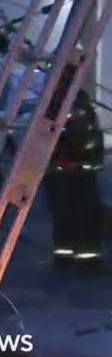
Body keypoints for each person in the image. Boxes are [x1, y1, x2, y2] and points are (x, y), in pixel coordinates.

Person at [42, 65, 104, 269]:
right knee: (80, 213)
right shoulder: (73, 103)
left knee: (66, 214)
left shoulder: (58, 103)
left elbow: (89, 136)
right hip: (73, 170)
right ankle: (82, 257)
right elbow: (85, 137)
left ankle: (68, 255)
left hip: (70, 169)